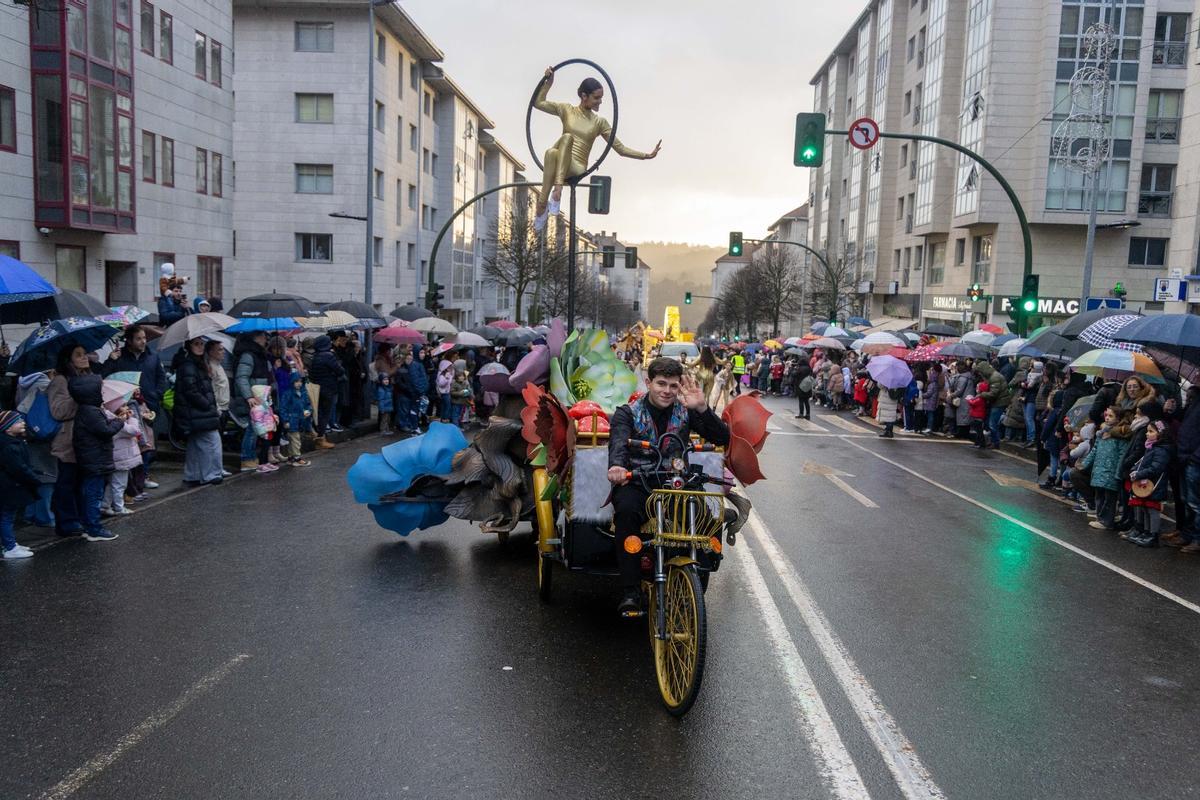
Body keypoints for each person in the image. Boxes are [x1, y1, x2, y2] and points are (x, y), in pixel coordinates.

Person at [607, 358, 730, 617]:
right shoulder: (627, 412)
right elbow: (617, 443)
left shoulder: (685, 411)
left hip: (675, 484)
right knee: (626, 511)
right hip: (638, 482)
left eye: (673, 386)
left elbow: (722, 438)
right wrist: (617, 467)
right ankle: (631, 590)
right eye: (661, 384)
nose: (667, 391)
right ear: (648, 382)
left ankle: (692, 578)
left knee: (704, 514)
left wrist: (702, 408)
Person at [531, 66, 661, 230]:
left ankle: (555, 192)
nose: (600, 101)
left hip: (576, 166)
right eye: (596, 97)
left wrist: (646, 155)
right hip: (559, 164)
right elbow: (538, 103)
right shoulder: (566, 110)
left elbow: (620, 149)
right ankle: (543, 204)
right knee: (551, 152)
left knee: (565, 139)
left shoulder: (599, 122)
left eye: (601, 98)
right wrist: (548, 84)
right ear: (584, 96)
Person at [68, 374, 126, 542]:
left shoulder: (88, 410)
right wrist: (120, 421)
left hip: (93, 459)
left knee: (91, 493)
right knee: (94, 495)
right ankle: (94, 528)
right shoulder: (91, 411)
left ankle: (89, 526)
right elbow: (105, 430)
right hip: (95, 460)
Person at [48, 345, 91, 538]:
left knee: (81, 481)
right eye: (78, 355)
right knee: (67, 482)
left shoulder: (85, 377)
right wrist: (79, 397)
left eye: (84, 354)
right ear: (69, 360)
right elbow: (58, 411)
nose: (84, 358)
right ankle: (67, 522)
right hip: (68, 440)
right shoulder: (60, 381)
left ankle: (81, 518)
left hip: (86, 438)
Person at [173, 336, 225, 485]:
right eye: (196, 344)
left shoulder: (195, 363)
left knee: (196, 444)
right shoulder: (189, 365)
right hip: (197, 411)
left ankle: (193, 475)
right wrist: (207, 404)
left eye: (202, 344)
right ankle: (211, 474)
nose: (200, 347)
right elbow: (191, 390)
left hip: (195, 412)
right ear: (189, 346)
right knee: (212, 441)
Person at [0, 411, 42, 559]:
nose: (22, 423)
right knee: (6, 516)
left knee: (7, 515)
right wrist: (33, 478)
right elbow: (18, 468)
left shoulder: (13, 442)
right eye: (17, 421)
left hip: (11, 486)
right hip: (10, 487)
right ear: (7, 428)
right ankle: (9, 547)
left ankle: (9, 543)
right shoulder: (9, 446)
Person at [1081, 406, 1130, 531]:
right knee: (1099, 495)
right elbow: (1094, 450)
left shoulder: (1120, 435)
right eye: (1106, 415)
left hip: (1111, 470)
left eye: (1111, 416)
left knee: (1109, 497)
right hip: (1099, 469)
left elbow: (1122, 454)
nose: (1107, 418)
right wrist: (1085, 463)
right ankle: (1100, 518)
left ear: (1118, 418)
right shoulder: (1101, 434)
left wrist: (1118, 472)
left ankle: (1107, 521)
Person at [232, 331, 275, 472]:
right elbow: (241, 377)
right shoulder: (248, 355)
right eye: (262, 335)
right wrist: (248, 396)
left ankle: (255, 459)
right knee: (252, 429)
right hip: (253, 398)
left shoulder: (259, 355)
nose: (265, 338)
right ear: (254, 337)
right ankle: (247, 459)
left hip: (261, 396)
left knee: (259, 428)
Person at [1125, 420, 1170, 547]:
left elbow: (1156, 468)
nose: (1147, 434)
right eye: (1147, 431)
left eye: (1151, 431)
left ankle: (1153, 535)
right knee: (1144, 508)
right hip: (1146, 483)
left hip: (1154, 485)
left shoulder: (1161, 450)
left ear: (1160, 434)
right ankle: (1145, 532)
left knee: (1152, 509)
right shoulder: (1151, 447)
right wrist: (1135, 470)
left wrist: (1139, 474)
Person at [308, 335, 344, 449]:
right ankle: (321, 439)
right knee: (325, 414)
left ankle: (319, 437)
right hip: (328, 388)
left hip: (317, 388)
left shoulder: (314, 356)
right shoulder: (328, 356)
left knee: (319, 414)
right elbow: (340, 371)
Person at [277, 371, 314, 467]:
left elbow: (308, 404)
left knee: (293, 439)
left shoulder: (303, 393)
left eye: (300, 381)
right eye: (296, 381)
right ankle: (297, 458)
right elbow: (283, 408)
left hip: (300, 420)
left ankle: (291, 457)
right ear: (292, 382)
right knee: (295, 439)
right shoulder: (288, 394)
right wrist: (285, 420)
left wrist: (308, 411)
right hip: (291, 419)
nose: (299, 383)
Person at [449, 363, 472, 428]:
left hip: (463, 402)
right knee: (455, 415)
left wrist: (468, 392)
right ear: (457, 377)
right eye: (460, 376)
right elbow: (452, 392)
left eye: (463, 376)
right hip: (456, 402)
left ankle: (458, 426)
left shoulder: (465, 383)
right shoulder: (454, 383)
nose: (461, 377)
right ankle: (456, 427)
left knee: (460, 415)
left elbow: (469, 390)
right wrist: (460, 393)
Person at [967, 381, 989, 448]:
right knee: (977, 431)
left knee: (979, 431)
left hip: (978, 416)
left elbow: (973, 403)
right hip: (977, 416)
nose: (976, 389)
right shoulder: (980, 396)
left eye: (977, 388)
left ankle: (981, 444)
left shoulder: (980, 397)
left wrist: (969, 399)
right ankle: (977, 443)